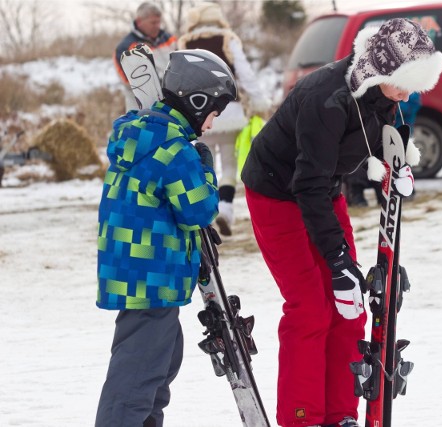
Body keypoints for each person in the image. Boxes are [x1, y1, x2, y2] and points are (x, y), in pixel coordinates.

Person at [241, 18, 442, 427]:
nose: (406, 94)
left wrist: (395, 163)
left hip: (323, 190)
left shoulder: (383, 91)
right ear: (382, 67)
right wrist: (336, 262)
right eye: (403, 82)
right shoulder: (326, 98)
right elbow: (307, 184)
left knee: (349, 307)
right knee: (310, 307)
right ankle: (302, 417)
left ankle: (340, 414)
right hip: (278, 192)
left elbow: (377, 134)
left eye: (413, 85)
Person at [95, 49, 237, 427]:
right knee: (136, 379)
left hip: (139, 273)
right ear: (197, 101)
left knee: (159, 368)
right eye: (213, 113)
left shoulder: (141, 135)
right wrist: (206, 170)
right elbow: (199, 210)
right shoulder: (173, 149)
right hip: (152, 278)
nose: (210, 124)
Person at [178, 2, 272, 236]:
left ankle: (204, 214)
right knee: (229, 164)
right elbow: (245, 73)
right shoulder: (227, 39)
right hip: (228, 110)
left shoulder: (185, 43)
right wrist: (260, 101)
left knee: (202, 163)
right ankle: (226, 210)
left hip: (197, 112)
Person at [344, 92, 422, 207]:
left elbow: (411, 105)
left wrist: (390, 100)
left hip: (398, 133)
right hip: (380, 134)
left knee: (398, 165)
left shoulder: (407, 94)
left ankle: (400, 192)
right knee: (373, 165)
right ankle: (361, 194)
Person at [114, 2, 177, 111]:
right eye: (153, 23)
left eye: (159, 22)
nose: (157, 26)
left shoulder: (170, 39)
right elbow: (131, 81)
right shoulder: (125, 48)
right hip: (141, 113)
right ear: (139, 22)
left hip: (171, 108)